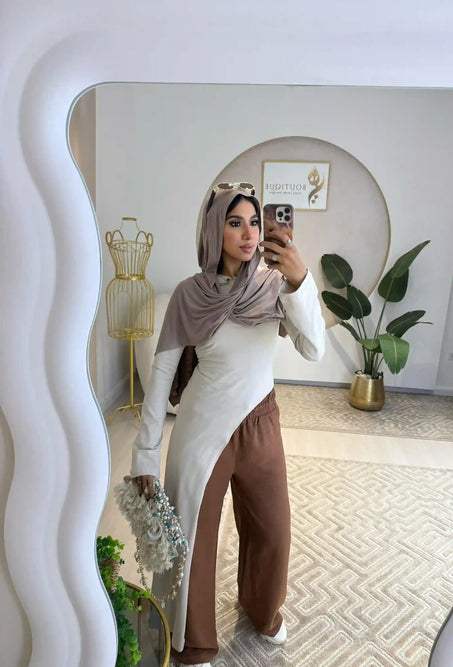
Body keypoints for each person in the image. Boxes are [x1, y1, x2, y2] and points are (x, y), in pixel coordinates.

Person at [130, 182, 325, 666]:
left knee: (272, 531)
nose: (248, 233)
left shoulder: (274, 285)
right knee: (191, 536)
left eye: (254, 222)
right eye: (235, 222)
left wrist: (301, 281)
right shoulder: (190, 294)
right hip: (202, 426)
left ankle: (263, 610)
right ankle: (192, 639)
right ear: (214, 229)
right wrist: (145, 454)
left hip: (261, 423)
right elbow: (161, 376)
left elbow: (314, 349)